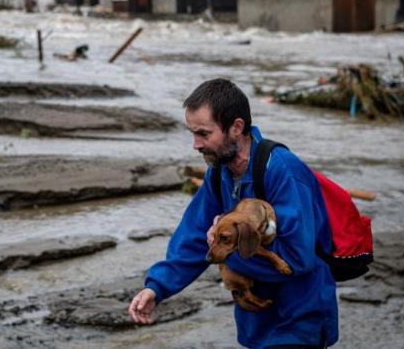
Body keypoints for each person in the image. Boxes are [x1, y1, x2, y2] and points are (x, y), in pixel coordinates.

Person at [127, 78, 338, 348]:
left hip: (297, 321)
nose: (196, 144)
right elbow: (194, 235)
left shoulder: (283, 171)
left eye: (203, 133)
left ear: (236, 127)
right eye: (192, 133)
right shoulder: (220, 173)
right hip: (256, 321)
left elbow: (298, 259)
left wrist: (227, 252)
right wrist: (156, 287)